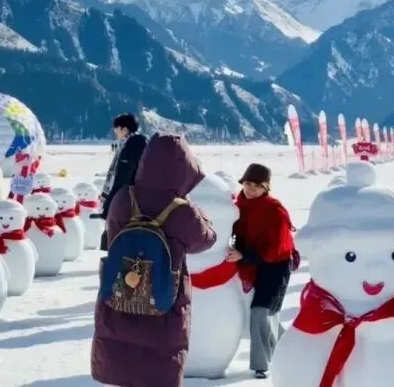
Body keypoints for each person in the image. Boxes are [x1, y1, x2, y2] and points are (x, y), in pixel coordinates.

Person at [91, 133, 217, 387]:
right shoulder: (182, 210)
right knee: (159, 368)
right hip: (163, 302)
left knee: (122, 367)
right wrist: (199, 213)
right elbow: (205, 240)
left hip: (120, 292)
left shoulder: (123, 198)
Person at [228, 163, 295, 379]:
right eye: (247, 184)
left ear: (266, 187)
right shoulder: (239, 206)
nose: (250, 189)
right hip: (254, 265)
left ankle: (261, 365)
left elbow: (277, 248)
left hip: (276, 266)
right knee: (270, 316)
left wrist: (244, 256)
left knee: (261, 312)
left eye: (256, 186)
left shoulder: (274, 210)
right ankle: (293, 349)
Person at [99, 113, 148, 250]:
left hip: (127, 202)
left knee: (118, 237)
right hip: (132, 200)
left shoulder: (131, 147)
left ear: (125, 130)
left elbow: (122, 179)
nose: (117, 135)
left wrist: (108, 205)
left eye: (117, 131)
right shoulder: (137, 144)